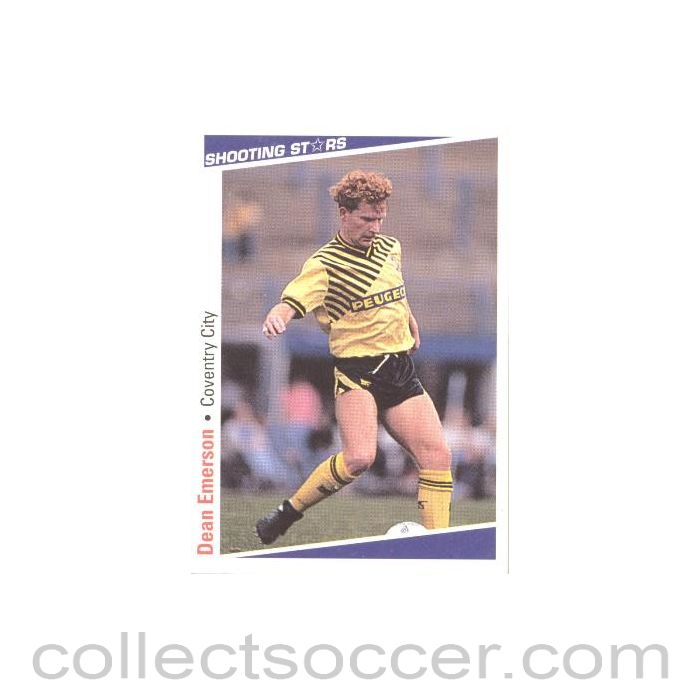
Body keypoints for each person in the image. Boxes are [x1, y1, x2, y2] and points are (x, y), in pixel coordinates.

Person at [255, 170, 452, 544]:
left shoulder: (390, 248)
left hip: (399, 368)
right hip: (358, 372)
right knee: (360, 457)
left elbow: (395, 292)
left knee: (438, 456)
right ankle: (287, 512)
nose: (374, 227)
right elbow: (290, 301)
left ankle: (439, 545)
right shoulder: (324, 264)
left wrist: (409, 319)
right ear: (344, 213)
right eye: (366, 219)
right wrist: (277, 316)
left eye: (380, 218)